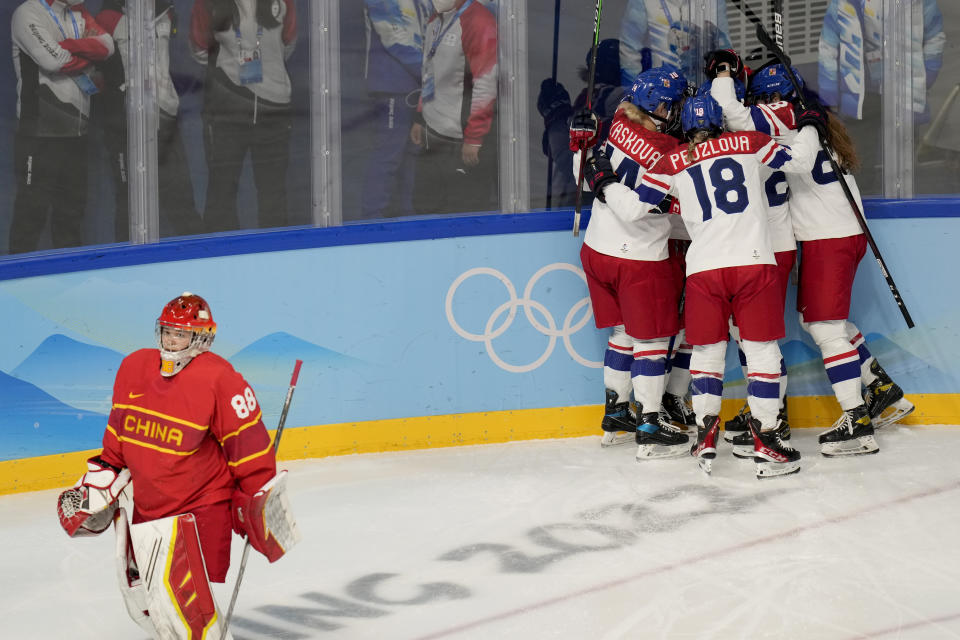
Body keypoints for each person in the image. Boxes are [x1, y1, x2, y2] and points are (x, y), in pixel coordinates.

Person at [589, 92, 826, 477]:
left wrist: (603, 180)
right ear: (720, 122)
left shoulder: (671, 160)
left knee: (706, 355)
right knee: (762, 352)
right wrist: (812, 124)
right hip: (753, 263)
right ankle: (768, 439)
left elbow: (632, 209)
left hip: (703, 270)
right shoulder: (749, 142)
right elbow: (802, 160)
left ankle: (705, 434)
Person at [55, 292, 299, 639]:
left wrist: (257, 498)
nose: (171, 340)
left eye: (181, 333)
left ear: (201, 338)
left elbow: (249, 447)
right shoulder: (134, 367)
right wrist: (101, 479)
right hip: (150, 508)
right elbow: (119, 435)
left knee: (188, 611)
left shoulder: (221, 379)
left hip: (199, 509)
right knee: (153, 605)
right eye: (168, 331)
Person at [710, 55, 915, 457]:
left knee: (825, 327)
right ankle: (881, 389)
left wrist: (722, 75)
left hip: (828, 237)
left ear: (774, 96)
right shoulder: (805, 116)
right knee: (820, 321)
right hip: (840, 234)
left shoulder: (782, 113)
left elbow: (734, 116)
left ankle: (856, 422)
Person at [575, 66, 691, 460]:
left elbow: (587, 169)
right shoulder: (665, 152)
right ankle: (650, 426)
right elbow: (634, 208)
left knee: (623, 336)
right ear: (657, 105)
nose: (675, 111)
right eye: (671, 104)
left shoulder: (617, 121)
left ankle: (617, 416)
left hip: (597, 250)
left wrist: (584, 152)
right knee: (653, 342)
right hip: (637, 259)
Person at [9, 0, 114, 254]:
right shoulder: (27, 13)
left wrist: (70, 47)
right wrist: (87, 55)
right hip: (39, 134)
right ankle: (17, 286)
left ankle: (71, 286)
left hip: (77, 134)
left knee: (71, 216)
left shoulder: (77, 12)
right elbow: (53, 61)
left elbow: (108, 47)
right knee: (30, 216)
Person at [95, 0, 203, 241]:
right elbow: (99, 72)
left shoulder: (167, 14)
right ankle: (125, 268)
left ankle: (198, 259)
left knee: (180, 196)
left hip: (166, 118)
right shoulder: (107, 18)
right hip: (125, 123)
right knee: (128, 199)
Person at [190, 0, 298, 233]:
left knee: (273, 195)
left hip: (274, 109)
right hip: (227, 111)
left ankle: (274, 261)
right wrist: (231, 78)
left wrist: (268, 78)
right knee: (221, 192)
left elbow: (289, 42)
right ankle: (221, 262)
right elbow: (200, 49)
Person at [817, 0, 945, 194]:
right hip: (861, 95)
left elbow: (935, 37)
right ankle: (861, 203)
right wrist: (829, 97)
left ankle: (906, 207)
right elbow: (828, 47)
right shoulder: (842, 4)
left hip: (904, 93)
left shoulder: (921, 3)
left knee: (905, 159)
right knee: (860, 159)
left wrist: (924, 77)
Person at [410, 0, 497, 215]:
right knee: (424, 209)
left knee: (463, 215)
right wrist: (420, 116)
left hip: (460, 142)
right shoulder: (436, 18)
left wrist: (474, 138)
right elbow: (429, 72)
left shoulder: (478, 21)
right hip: (433, 137)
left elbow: (486, 84)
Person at [360, 0, 431, 219]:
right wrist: (433, 75)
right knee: (388, 154)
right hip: (391, 85)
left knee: (413, 153)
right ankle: (373, 218)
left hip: (420, 86)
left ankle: (409, 215)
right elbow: (395, 39)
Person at [537, 38, 626, 208]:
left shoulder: (616, 96)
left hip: (593, 195)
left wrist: (557, 118)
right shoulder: (590, 95)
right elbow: (557, 150)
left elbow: (577, 153)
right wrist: (557, 121)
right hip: (575, 193)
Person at [619, 0, 731, 86]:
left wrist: (723, 89)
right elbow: (629, 48)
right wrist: (634, 96)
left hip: (703, 88)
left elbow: (724, 49)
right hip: (660, 93)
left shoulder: (714, 2)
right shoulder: (642, 2)